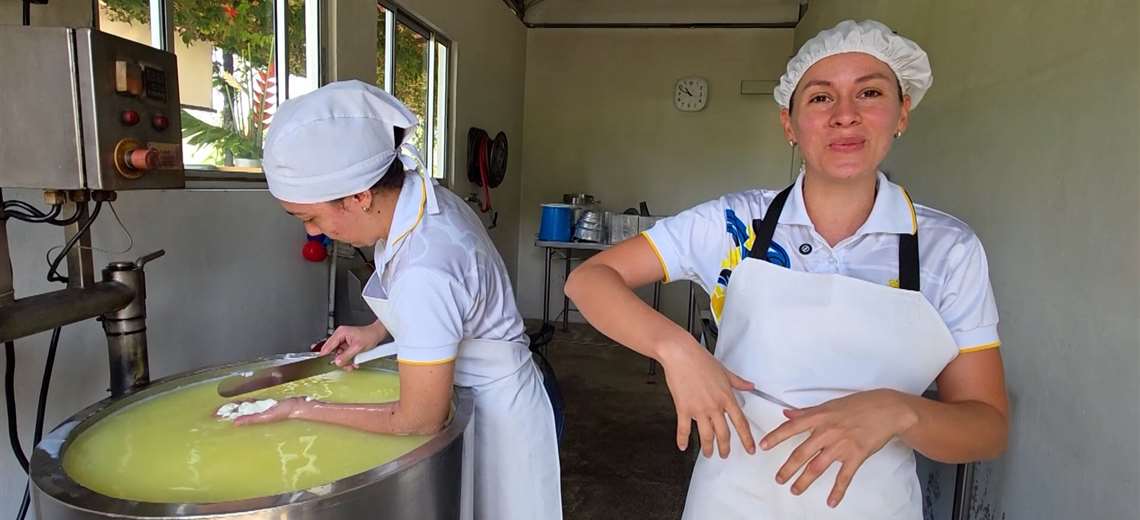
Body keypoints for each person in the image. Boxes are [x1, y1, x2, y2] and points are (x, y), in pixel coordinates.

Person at [565, 19, 1008, 519]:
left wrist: (899, 410)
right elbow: (589, 279)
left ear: (902, 112)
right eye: (821, 98)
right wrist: (677, 349)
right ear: (789, 125)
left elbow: (986, 426)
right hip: (733, 500)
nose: (845, 116)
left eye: (869, 93)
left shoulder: (948, 250)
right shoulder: (734, 224)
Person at [237, 80, 562, 520]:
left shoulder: (426, 267)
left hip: (497, 418)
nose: (312, 233)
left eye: (310, 217)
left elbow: (420, 419)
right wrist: (374, 331)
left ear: (359, 195)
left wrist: (302, 409)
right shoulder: (420, 199)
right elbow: (453, 304)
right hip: (481, 391)